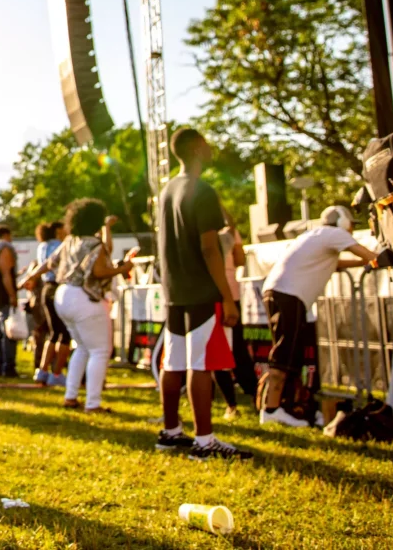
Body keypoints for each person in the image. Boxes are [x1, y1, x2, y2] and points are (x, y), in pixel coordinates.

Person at [155, 128, 253, 461]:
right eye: (206, 143)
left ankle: (171, 432)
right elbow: (210, 248)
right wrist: (227, 296)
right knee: (201, 364)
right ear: (197, 148)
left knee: (174, 362)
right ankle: (205, 441)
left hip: (174, 291)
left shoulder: (167, 190)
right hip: (200, 290)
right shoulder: (202, 190)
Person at [260, 205, 377, 427]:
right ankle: (272, 410)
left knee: (288, 353)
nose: (351, 230)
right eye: (351, 225)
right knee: (285, 354)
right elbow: (368, 255)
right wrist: (386, 259)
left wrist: (362, 262)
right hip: (290, 296)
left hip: (279, 292)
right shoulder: (335, 234)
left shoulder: (316, 236)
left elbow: (336, 263)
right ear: (343, 223)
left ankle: (282, 407)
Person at [39, 201, 131, 413]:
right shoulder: (94, 244)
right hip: (85, 297)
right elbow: (99, 271)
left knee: (81, 348)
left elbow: (50, 263)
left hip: (63, 295)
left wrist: (31, 277)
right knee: (100, 351)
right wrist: (123, 268)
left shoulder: (70, 240)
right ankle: (93, 403)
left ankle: (70, 396)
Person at [212, 210, 253, 420]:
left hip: (217, 297)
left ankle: (234, 404)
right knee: (233, 349)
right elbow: (240, 259)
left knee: (220, 351)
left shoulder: (206, 231)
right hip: (227, 295)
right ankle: (249, 397)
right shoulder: (227, 231)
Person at [34, 220, 72, 386]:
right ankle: (57, 373)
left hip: (46, 288)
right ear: (58, 231)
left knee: (53, 332)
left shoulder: (42, 246)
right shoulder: (61, 245)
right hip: (59, 287)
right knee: (65, 333)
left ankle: (42, 371)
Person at [0, 225, 21, 378]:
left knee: (1, 332)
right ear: (5, 235)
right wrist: (12, 295)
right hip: (4, 295)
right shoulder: (4, 248)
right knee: (9, 332)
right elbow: (6, 273)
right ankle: (8, 367)